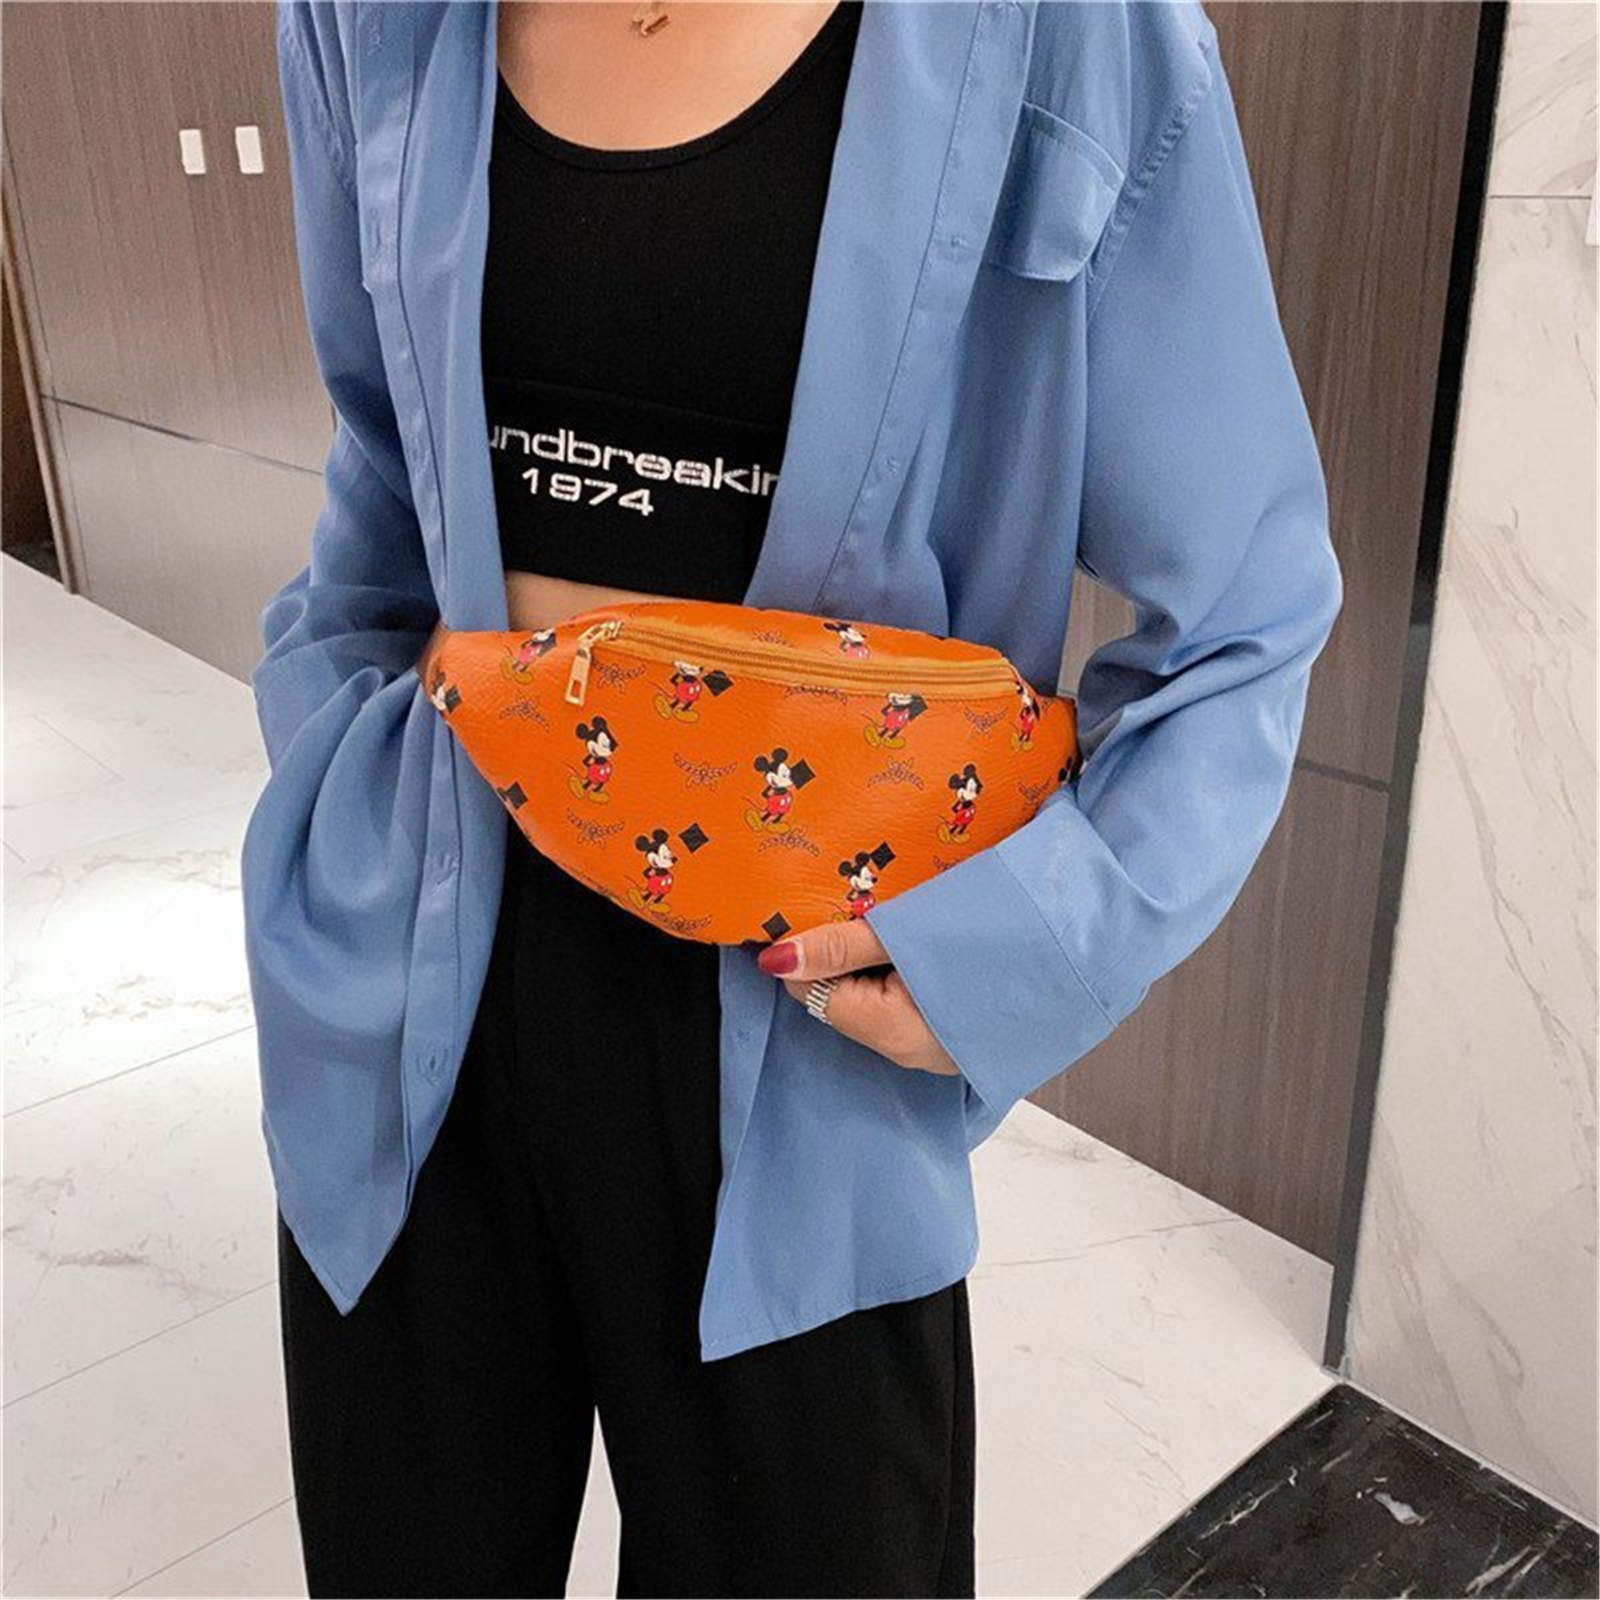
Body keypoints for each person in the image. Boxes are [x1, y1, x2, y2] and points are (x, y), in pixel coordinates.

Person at [245, 1, 1343, 1596]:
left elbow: (1245, 608)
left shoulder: (1073, 35)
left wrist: (1033, 946)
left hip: (808, 1017)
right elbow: (383, 439)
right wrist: (328, 727)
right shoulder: (364, 17)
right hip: (418, 951)